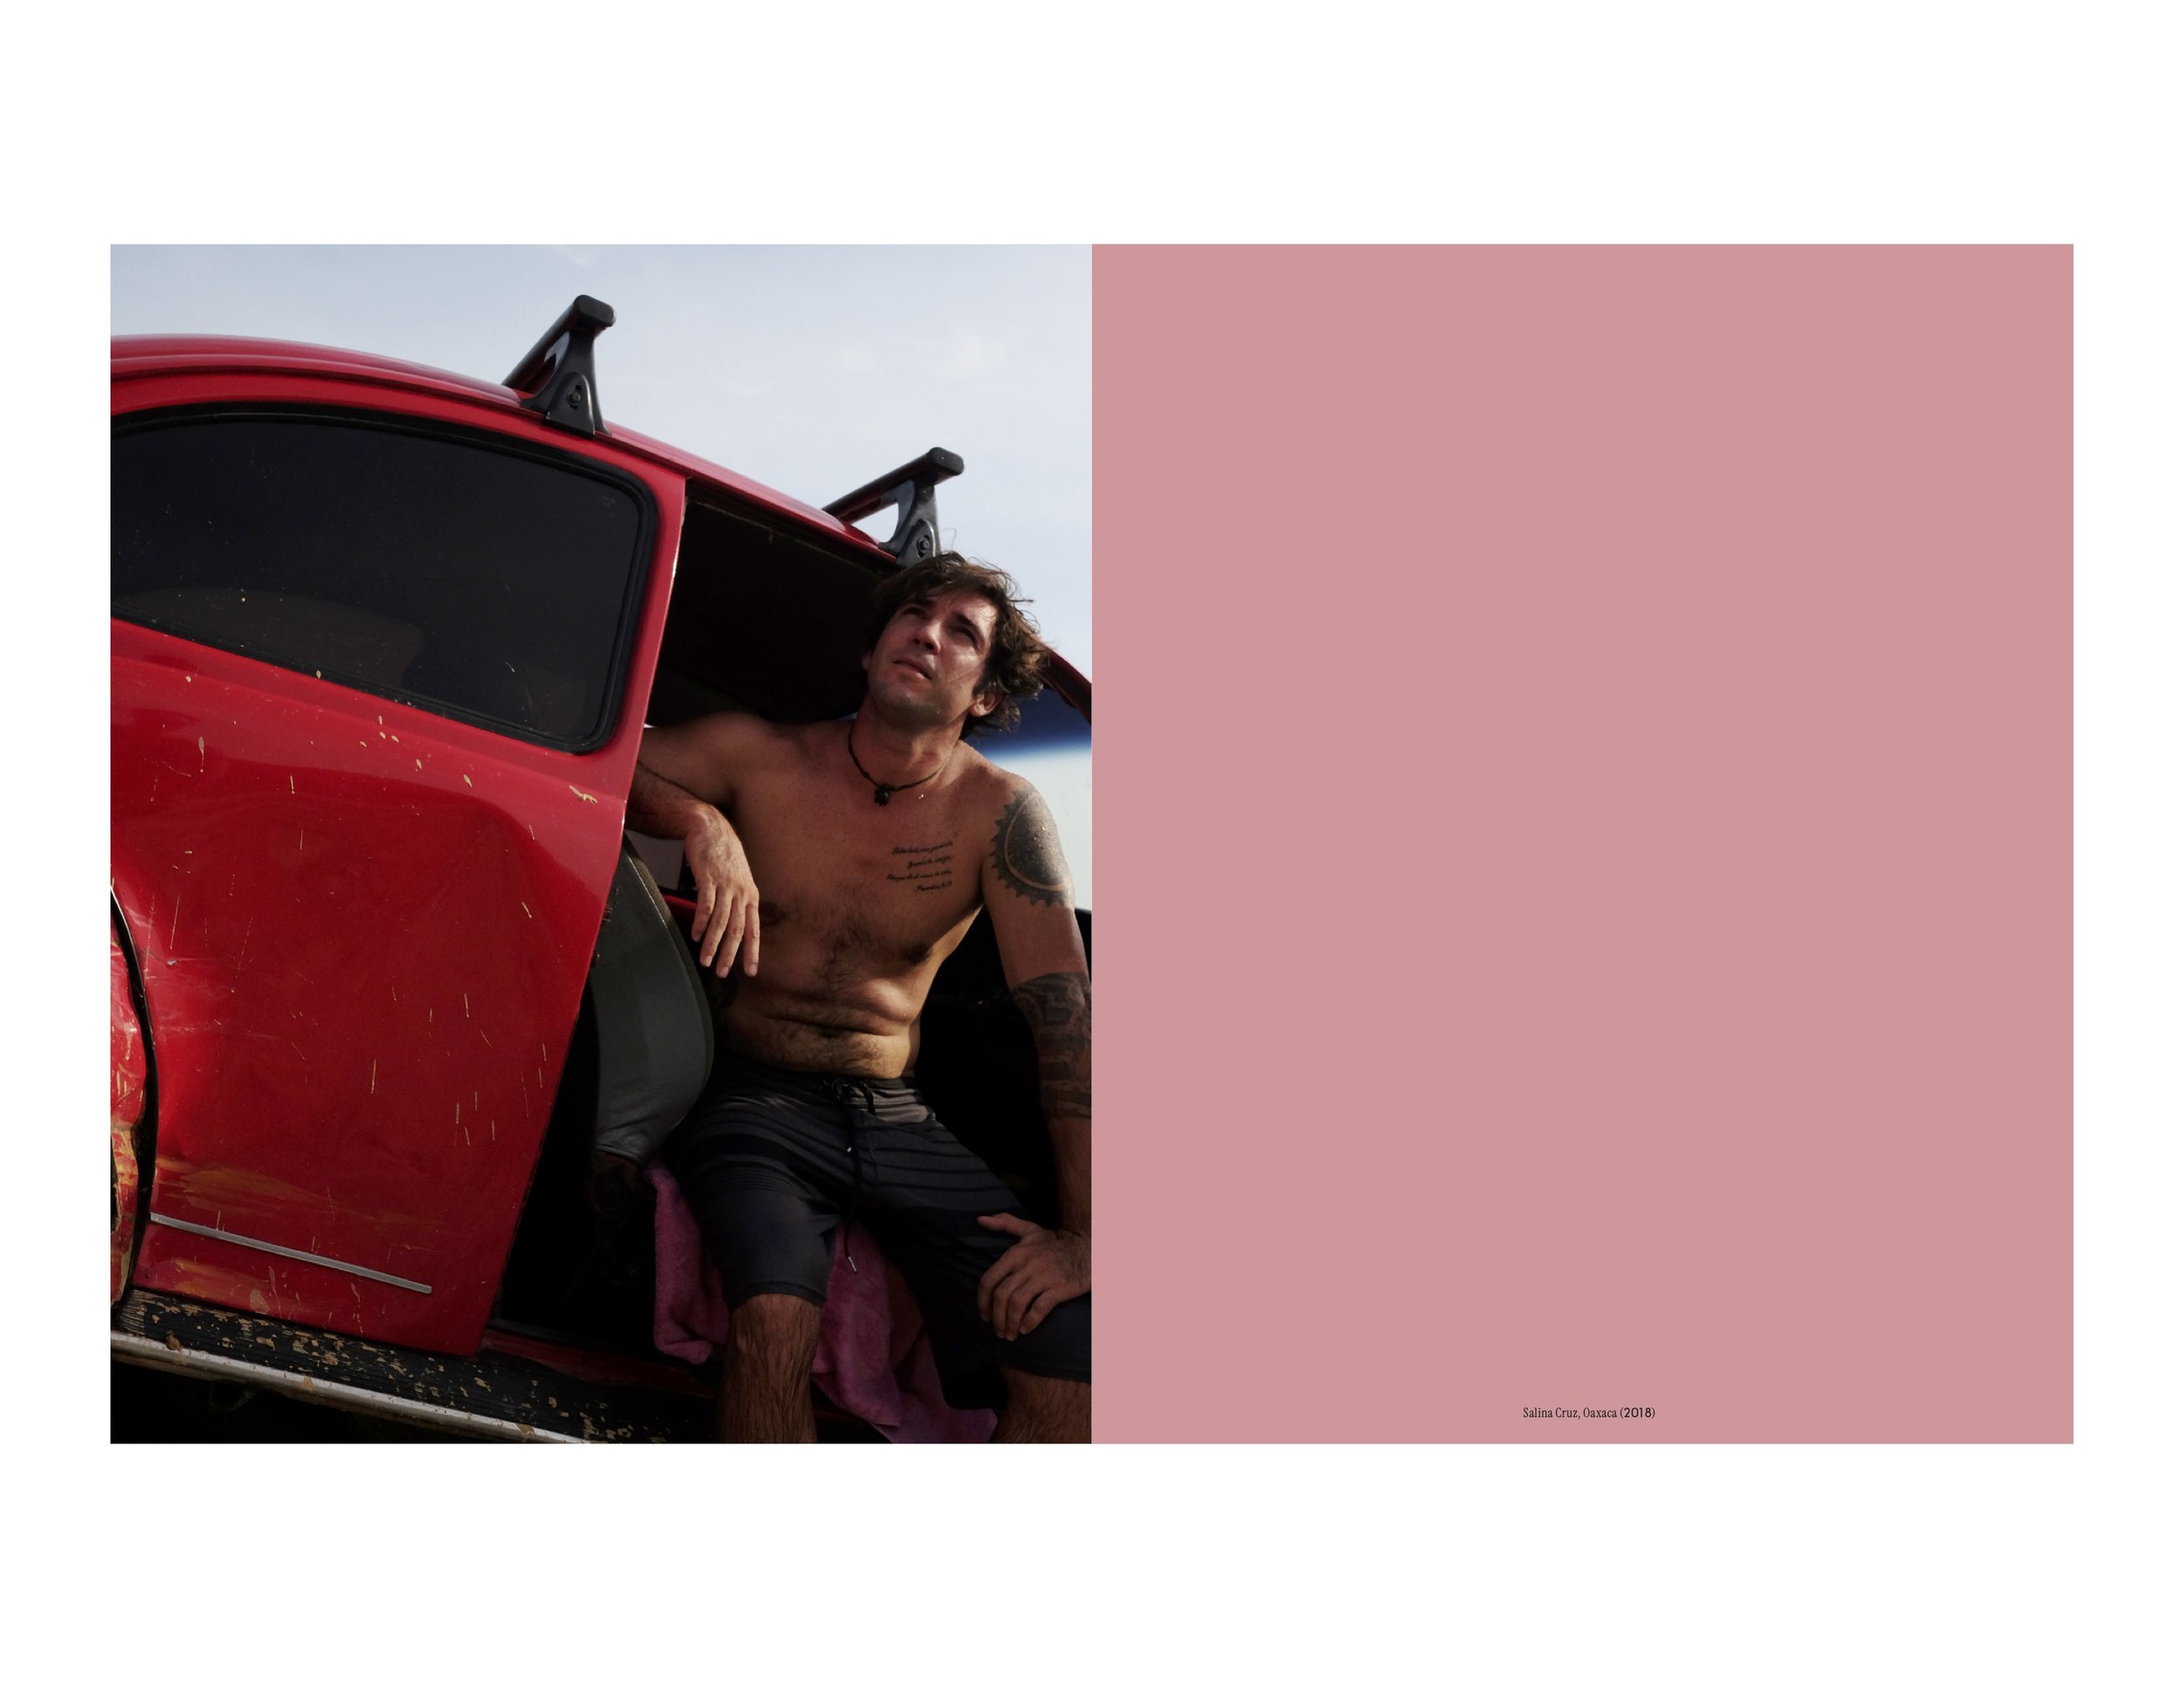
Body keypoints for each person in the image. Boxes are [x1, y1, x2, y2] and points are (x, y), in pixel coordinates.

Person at [625, 553, 1091, 1442]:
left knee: (1073, 1348)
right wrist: (701, 822)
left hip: (895, 1117)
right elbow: (602, 764)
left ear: (984, 695)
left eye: (962, 633)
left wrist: (1086, 1239)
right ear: (875, 645)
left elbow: (1066, 1026)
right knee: (772, 1316)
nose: (929, 633)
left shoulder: (1000, 812)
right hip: (756, 1095)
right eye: (915, 615)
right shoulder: (757, 757)